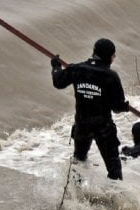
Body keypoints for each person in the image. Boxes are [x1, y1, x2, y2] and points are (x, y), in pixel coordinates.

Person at [51, 38, 129, 180]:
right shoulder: (110, 76)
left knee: (79, 162)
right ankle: (116, 198)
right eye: (113, 56)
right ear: (108, 56)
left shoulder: (77, 69)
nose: (113, 59)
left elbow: (58, 82)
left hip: (82, 125)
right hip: (103, 128)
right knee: (113, 166)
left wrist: (56, 66)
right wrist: (124, 107)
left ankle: (74, 195)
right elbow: (117, 107)